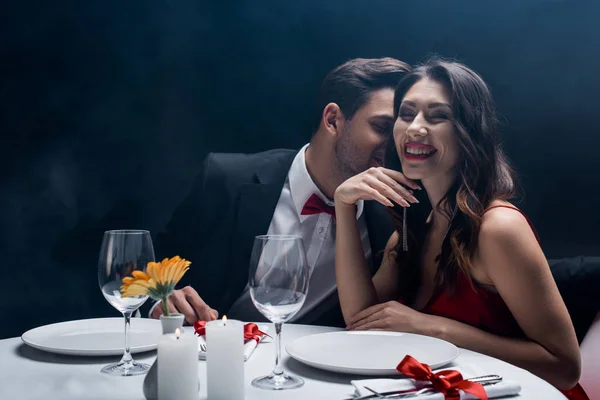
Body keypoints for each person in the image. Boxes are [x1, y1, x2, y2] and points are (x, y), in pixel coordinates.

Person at [333, 57, 587, 399]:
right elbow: (361, 320)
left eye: (437, 116)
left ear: (469, 132)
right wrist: (344, 206)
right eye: (406, 115)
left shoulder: (498, 228)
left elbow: (565, 367)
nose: (414, 128)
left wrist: (432, 328)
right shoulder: (411, 230)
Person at [150, 57, 412, 328]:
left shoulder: (392, 217)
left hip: (315, 365)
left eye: (398, 132)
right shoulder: (226, 179)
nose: (394, 145)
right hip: (210, 356)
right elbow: (151, 264)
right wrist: (161, 299)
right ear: (332, 120)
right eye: (381, 127)